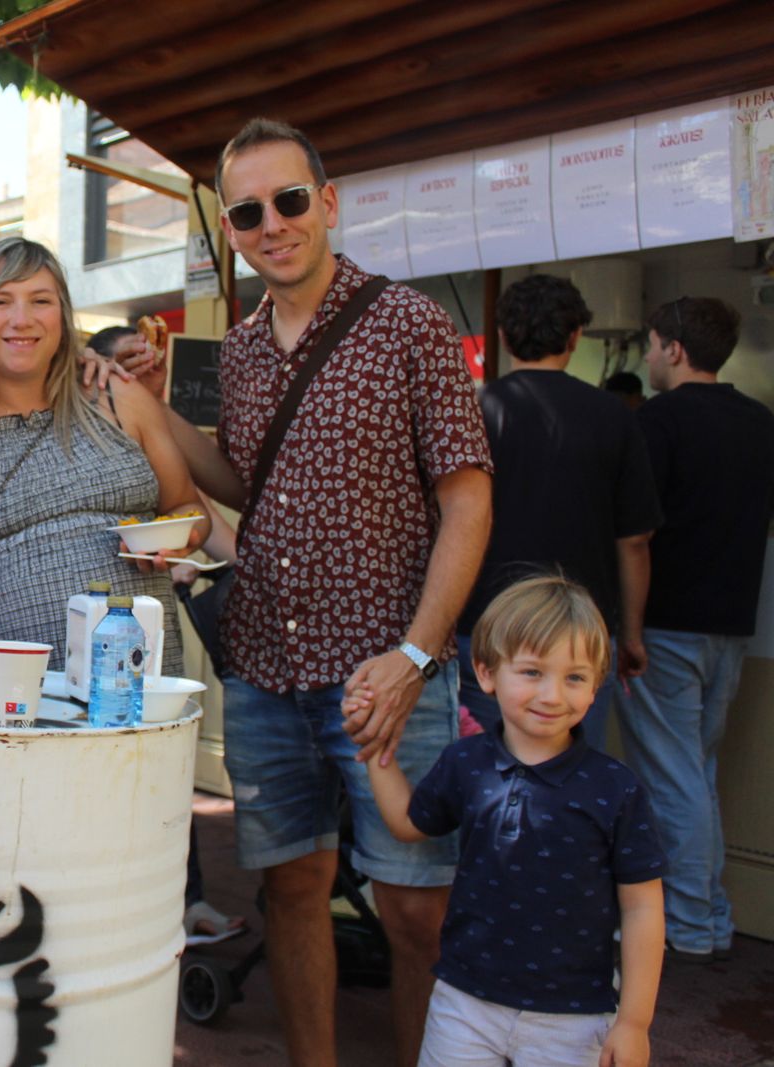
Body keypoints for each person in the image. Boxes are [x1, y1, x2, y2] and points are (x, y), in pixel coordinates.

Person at [136, 119, 493, 1066]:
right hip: (265, 669)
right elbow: (245, 482)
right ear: (231, 229)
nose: (273, 224)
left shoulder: (410, 323)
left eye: (289, 200)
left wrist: (416, 654)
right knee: (291, 892)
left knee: (416, 908)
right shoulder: (241, 352)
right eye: (248, 212)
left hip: (385, 670)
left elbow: (468, 500)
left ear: (327, 203)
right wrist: (151, 411)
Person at [354, 575, 665, 1066]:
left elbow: (643, 907)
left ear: (596, 685)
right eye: (532, 672)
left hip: (574, 1016)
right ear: (487, 673)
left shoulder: (616, 789)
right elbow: (408, 824)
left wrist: (634, 1022)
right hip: (464, 1003)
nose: (552, 694)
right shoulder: (465, 763)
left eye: (575, 677)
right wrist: (374, 746)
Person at [0, 237, 207, 673]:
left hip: (144, 687)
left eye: (40, 300)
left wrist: (177, 539)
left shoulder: (119, 396)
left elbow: (188, 508)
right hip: (22, 691)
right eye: (0, 302)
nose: (21, 319)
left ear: (63, 317)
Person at [617, 296, 774, 965]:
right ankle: (709, 917)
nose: (650, 356)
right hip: (733, 625)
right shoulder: (761, 423)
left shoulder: (657, 422)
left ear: (674, 349)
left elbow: (635, 535)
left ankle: (684, 923)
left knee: (674, 777)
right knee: (696, 771)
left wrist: (629, 629)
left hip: (665, 624)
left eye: (653, 345)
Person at [457, 275, 660, 750]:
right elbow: (634, 540)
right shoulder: (614, 416)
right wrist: (630, 634)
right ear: (575, 336)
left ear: (503, 336)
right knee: (574, 773)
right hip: (581, 632)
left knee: (488, 769)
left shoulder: (474, 412)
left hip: (485, 629)